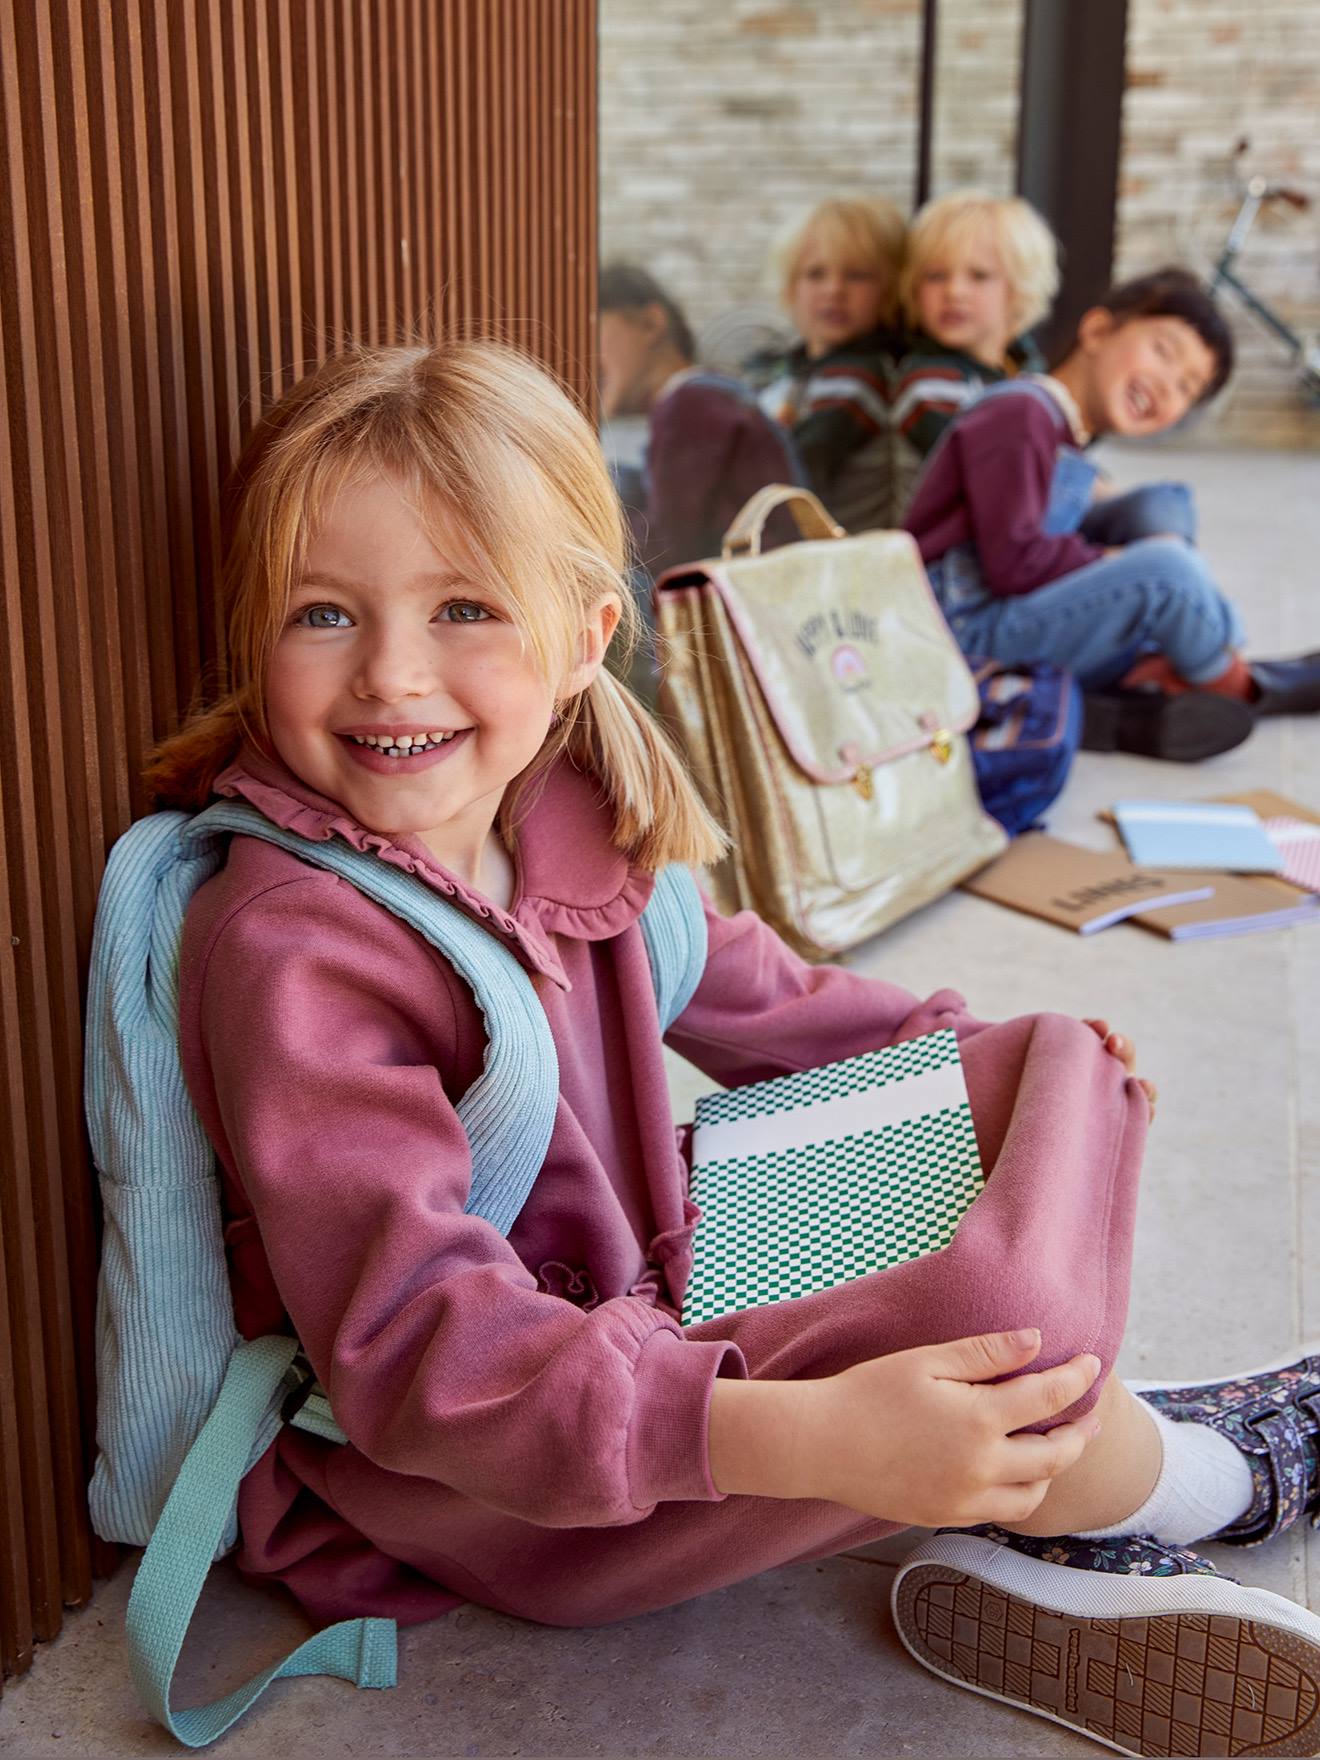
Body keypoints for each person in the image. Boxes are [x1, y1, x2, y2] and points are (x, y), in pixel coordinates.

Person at [145, 339, 1320, 1753]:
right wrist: (803, 1439)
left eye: (464, 607)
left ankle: (1058, 1482)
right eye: (322, 615)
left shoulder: (563, 811)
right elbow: (420, 1359)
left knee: (1039, 1068)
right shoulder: (294, 944)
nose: (394, 674)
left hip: (663, 1277)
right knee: (999, 1304)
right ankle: (1184, 1480)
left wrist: (973, 1052)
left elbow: (782, 1006)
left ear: (584, 639)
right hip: (525, 1479)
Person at [905, 267, 1320, 760]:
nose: (1168, 386)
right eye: (1163, 352)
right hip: (958, 636)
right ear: (1098, 331)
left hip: (998, 612)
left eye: (1187, 388)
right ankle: (1238, 685)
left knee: (1164, 503)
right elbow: (1014, 564)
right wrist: (1114, 558)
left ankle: (1148, 673)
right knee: (1168, 573)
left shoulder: (1057, 426)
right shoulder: (1021, 413)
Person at [598, 263, 802, 580]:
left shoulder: (689, 403)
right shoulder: (711, 395)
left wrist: (586, 531)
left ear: (651, 324)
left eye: (591, 328)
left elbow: (667, 543)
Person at [888, 191, 1058, 520]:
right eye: (935, 276)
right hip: (944, 565)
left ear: (1019, 289)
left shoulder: (1021, 371)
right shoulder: (929, 387)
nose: (954, 292)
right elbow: (1006, 485)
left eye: (979, 276)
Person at [755, 195, 907, 531]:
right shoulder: (803, 373)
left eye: (857, 276)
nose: (834, 290)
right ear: (791, 286)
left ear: (891, 290)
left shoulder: (854, 383)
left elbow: (790, 483)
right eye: (815, 274)